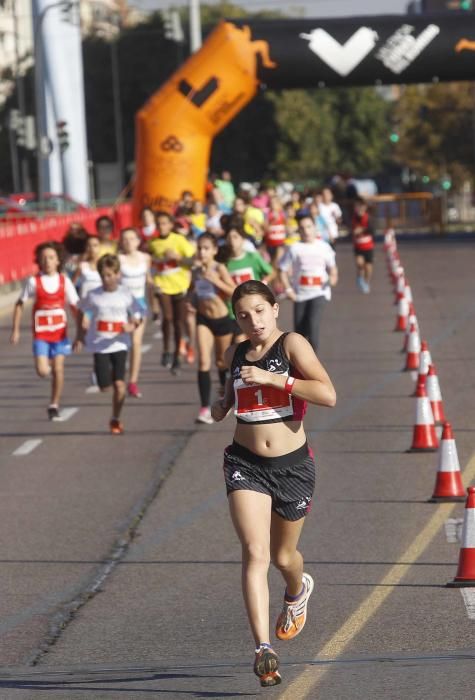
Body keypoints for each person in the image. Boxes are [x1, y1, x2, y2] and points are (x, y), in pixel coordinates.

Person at [211, 280, 336, 688]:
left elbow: (327, 394)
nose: (253, 321)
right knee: (254, 552)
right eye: (244, 315)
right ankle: (263, 648)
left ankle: (297, 591)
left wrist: (275, 379)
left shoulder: (292, 345)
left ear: (275, 309)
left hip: (293, 466)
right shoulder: (234, 353)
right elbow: (230, 396)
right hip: (245, 463)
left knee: (284, 558)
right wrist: (222, 404)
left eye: (259, 311)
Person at [74, 254, 143, 434]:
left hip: (119, 344)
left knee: (120, 386)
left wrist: (132, 324)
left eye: (110, 275)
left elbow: (138, 313)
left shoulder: (125, 294)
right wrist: (80, 334)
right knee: (105, 387)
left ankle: (115, 418)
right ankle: (105, 374)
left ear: (117, 274)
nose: (107, 279)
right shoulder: (94, 295)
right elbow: (81, 309)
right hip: (99, 344)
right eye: (103, 275)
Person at [10, 241, 79, 420]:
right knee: (42, 371)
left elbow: (74, 306)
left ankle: (54, 404)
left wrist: (81, 331)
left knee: (58, 368)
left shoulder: (65, 281)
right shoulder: (33, 282)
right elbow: (19, 305)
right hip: (41, 335)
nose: (47, 261)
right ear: (39, 262)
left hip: (60, 334)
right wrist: (16, 330)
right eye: (44, 258)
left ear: (58, 261)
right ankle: (47, 367)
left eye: (51, 258)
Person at [189, 233, 236, 424]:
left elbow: (234, 291)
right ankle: (204, 408)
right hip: (203, 319)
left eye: (206, 248)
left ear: (215, 250)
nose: (202, 252)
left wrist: (215, 280)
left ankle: (227, 398)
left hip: (222, 319)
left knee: (221, 362)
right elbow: (191, 291)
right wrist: (189, 301)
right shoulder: (195, 270)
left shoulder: (219, 268)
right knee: (203, 362)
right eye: (199, 248)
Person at [279, 215, 338, 353]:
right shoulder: (295, 248)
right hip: (300, 294)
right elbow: (282, 270)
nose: (306, 231)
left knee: (313, 326)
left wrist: (333, 278)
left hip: (319, 293)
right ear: (298, 230)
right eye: (302, 228)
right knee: (299, 334)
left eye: (309, 227)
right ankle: (301, 364)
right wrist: (288, 290)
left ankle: (312, 363)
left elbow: (333, 268)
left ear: (315, 228)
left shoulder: (323, 247)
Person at [149, 211, 196, 372]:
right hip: (162, 286)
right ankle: (166, 350)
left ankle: (177, 355)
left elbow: (192, 261)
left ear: (170, 225)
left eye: (164, 223)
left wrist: (177, 257)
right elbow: (151, 264)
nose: (161, 227)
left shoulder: (179, 240)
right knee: (167, 318)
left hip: (181, 285)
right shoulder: (153, 243)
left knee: (178, 322)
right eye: (159, 224)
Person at [118, 227, 153, 398]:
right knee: (120, 343)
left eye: (132, 238)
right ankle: (113, 373)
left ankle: (132, 381)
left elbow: (149, 281)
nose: (128, 242)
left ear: (138, 241)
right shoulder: (118, 259)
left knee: (136, 342)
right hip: (120, 305)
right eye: (125, 239)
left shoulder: (145, 258)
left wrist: (156, 304)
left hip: (139, 304)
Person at [351, 197, 375, 294]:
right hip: (358, 246)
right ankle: (360, 278)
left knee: (368, 267)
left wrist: (362, 230)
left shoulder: (368, 217)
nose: (359, 209)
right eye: (357, 207)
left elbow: (373, 230)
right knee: (360, 263)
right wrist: (354, 232)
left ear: (365, 207)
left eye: (361, 207)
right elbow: (351, 230)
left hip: (368, 246)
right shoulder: (353, 218)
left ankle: (367, 281)